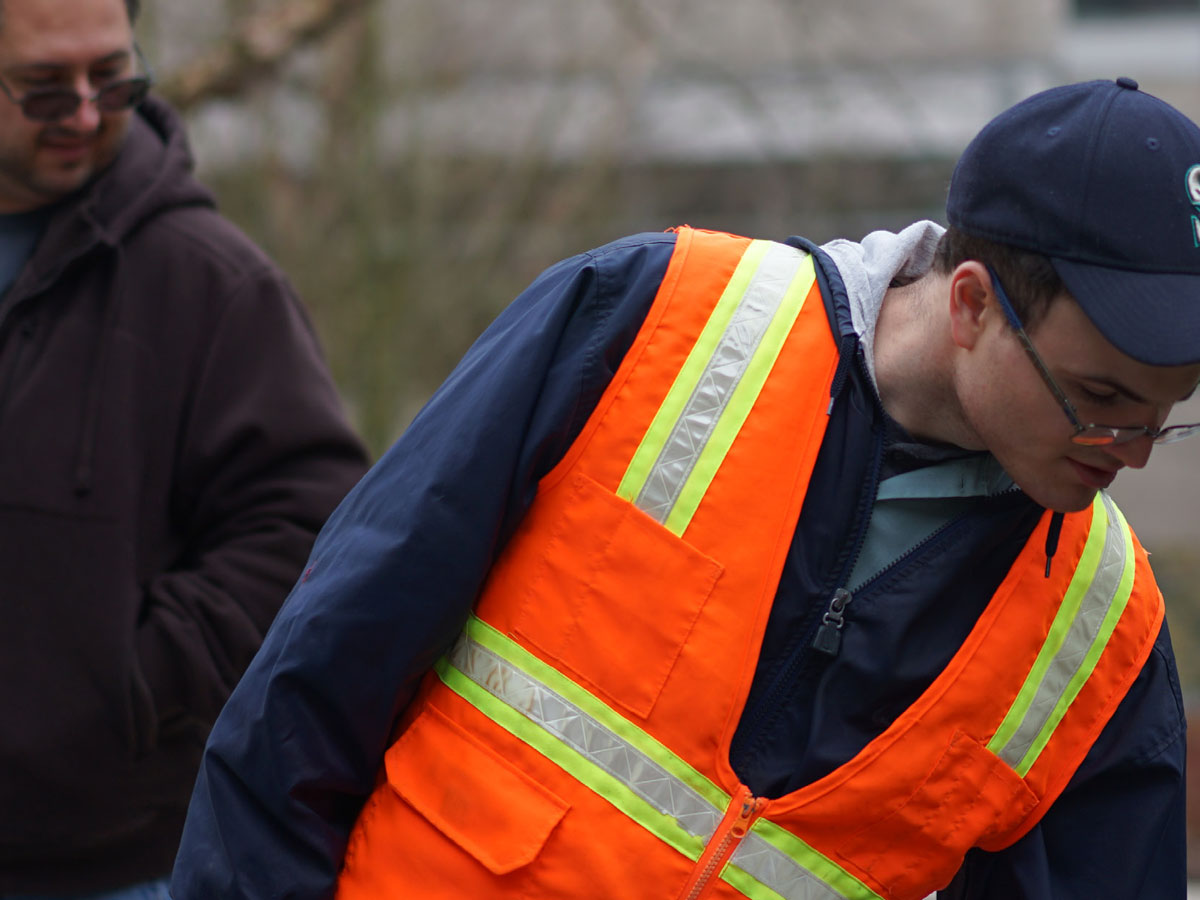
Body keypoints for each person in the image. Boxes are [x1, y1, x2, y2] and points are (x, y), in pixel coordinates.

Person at [171, 77, 1200, 900]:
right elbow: (325, 667)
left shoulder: (1102, 636)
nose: (1135, 448)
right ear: (973, 304)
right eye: (1104, 396)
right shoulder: (650, 319)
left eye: (1167, 410)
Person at [0, 0, 369, 897]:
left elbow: (312, 537)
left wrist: (121, 689)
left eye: (114, 77)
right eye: (46, 88)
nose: (87, 112)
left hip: (107, 869)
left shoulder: (215, 284)